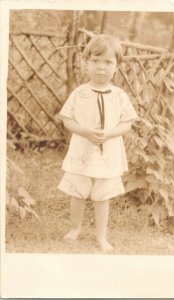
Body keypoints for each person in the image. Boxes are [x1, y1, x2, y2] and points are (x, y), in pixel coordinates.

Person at [58, 34, 138, 252]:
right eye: (95, 61)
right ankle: (75, 228)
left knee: (102, 194)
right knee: (78, 190)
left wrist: (111, 133)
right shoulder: (79, 93)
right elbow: (67, 119)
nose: (101, 67)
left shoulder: (119, 95)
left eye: (108, 62)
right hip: (82, 151)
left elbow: (128, 123)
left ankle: (101, 236)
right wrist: (84, 131)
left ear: (117, 67)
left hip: (107, 153)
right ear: (86, 63)